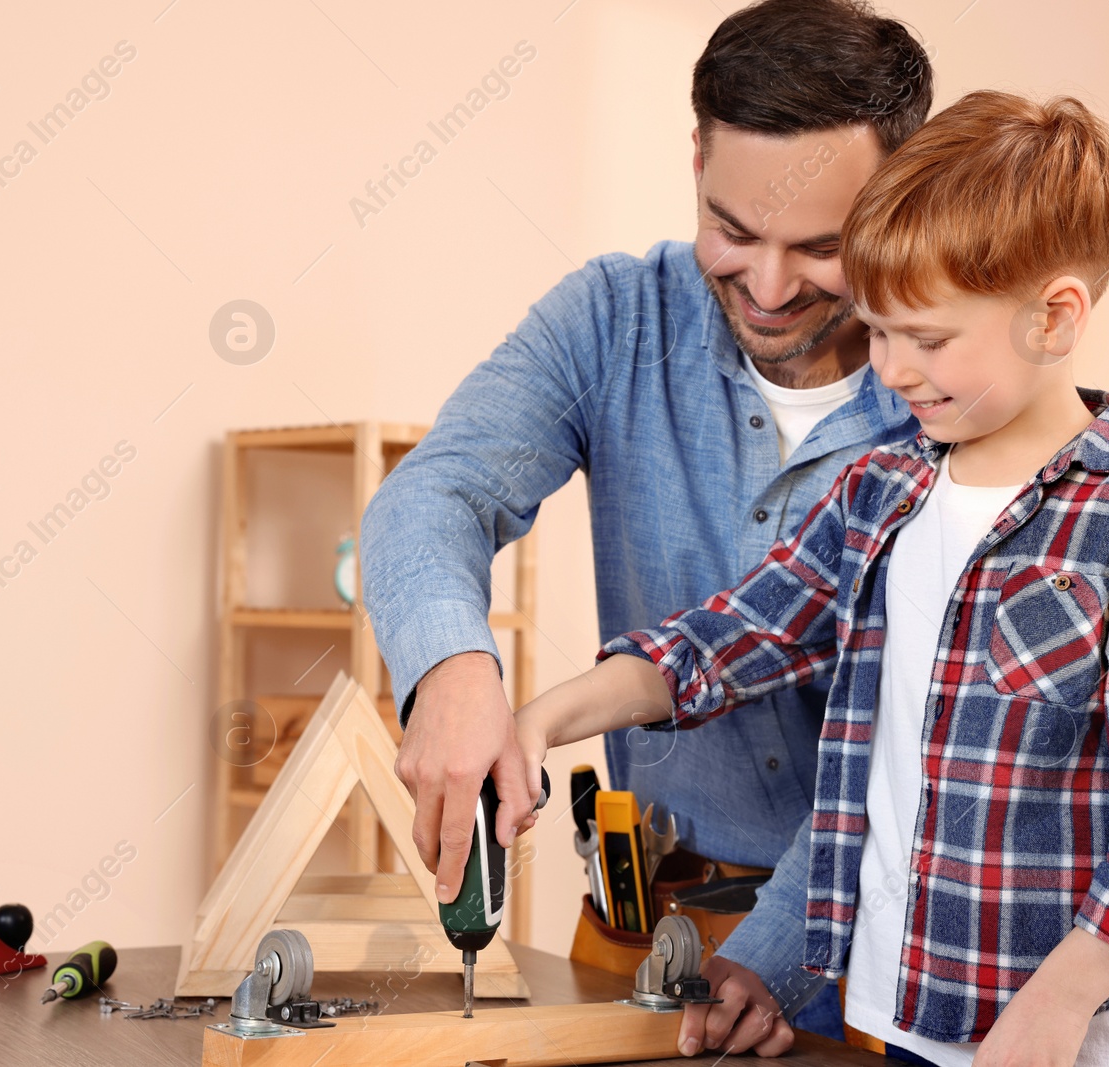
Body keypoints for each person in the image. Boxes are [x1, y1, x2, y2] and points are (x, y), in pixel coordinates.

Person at [511, 89, 1109, 1065]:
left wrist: (1057, 1001)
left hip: (1087, 1032)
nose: (891, 369)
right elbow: (731, 640)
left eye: (927, 338)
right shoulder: (876, 497)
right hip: (914, 1017)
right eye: (877, 330)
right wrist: (541, 719)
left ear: (1053, 317)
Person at [361, 0, 932, 1048]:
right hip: (642, 934)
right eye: (732, 228)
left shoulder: (952, 405)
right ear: (697, 157)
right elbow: (431, 495)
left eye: (817, 247)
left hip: (875, 972)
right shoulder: (611, 318)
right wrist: (451, 668)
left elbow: (914, 758)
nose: (765, 287)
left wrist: (772, 948)